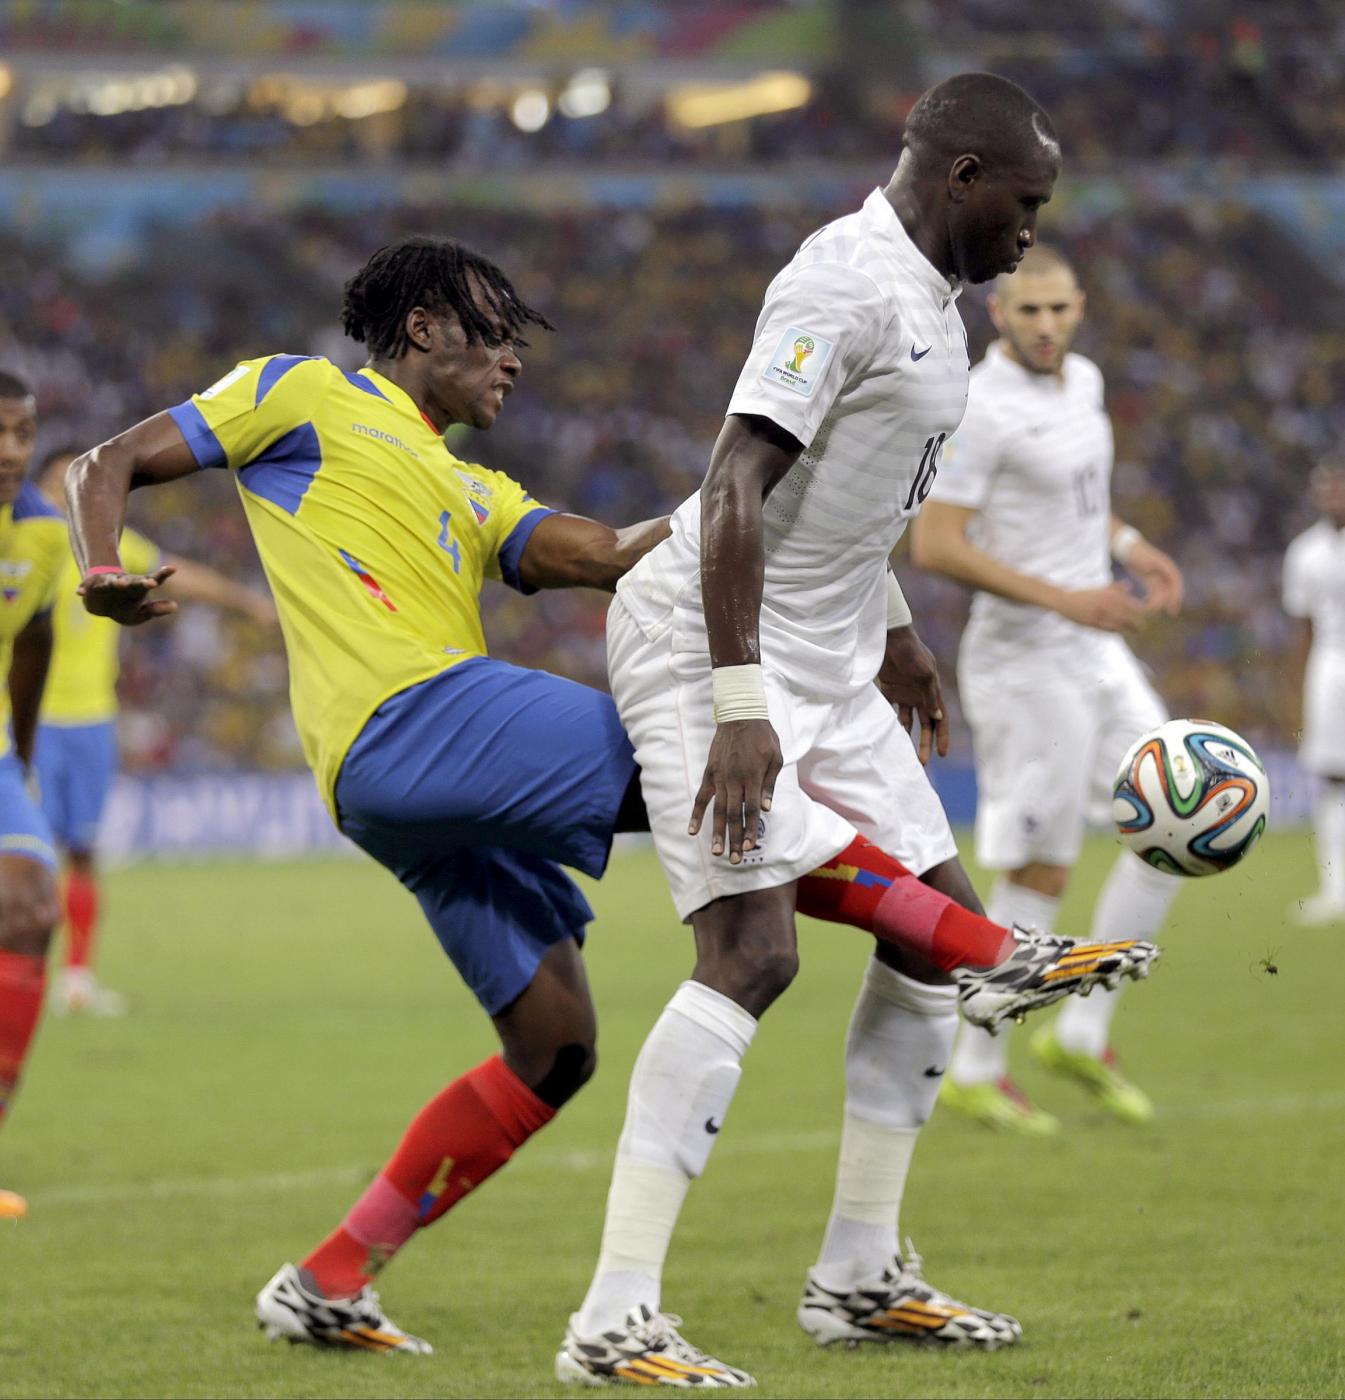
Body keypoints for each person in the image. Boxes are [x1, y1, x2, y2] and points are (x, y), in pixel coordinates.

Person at [64, 234, 1087, 1357]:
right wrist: (101, 567)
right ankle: (984, 947)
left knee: (554, 1044)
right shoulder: (299, 392)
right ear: (423, 328)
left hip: (405, 786)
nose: (514, 359)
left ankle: (327, 1278)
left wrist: (770, 493)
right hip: (411, 716)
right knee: (709, 765)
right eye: (495, 335)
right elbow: (104, 461)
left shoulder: (473, 488)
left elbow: (609, 552)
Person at [558, 74, 1158, 1389]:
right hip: (708, 640)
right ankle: (612, 1315)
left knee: (936, 954)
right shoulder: (840, 283)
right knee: (751, 952)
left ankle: (858, 1275)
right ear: (962, 177)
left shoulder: (937, 303)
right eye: (1024, 203)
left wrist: (891, 629)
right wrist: (737, 705)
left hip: (831, 654)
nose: (1031, 232)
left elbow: (846, 498)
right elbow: (734, 484)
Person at [910, 242, 1186, 1134]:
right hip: (1025, 659)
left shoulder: (1085, 383)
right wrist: (1069, 598)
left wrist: (1130, 545)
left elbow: (1077, 500)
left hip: (1095, 648)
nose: (1044, 325)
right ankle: (974, 1068)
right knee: (1041, 863)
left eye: (1058, 309)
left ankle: (1081, 1031)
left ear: (1078, 308)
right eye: (1027, 310)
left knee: (1174, 820)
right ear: (997, 314)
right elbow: (935, 544)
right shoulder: (978, 406)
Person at [33, 446, 279, 1016]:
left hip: (92, 722)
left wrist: (246, 600)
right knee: (26, 855)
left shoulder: (106, 548)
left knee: (83, 852)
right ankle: (21, 973)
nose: (66, 497)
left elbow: (177, 572)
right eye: (56, 483)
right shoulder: (22, 545)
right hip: (31, 721)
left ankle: (76, 980)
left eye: (75, 485)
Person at [0, 373, 72, 1222]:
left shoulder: (45, 532)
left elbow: (35, 639)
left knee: (29, 909)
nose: (12, 451)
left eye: (23, 432)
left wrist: (19, 756)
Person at [1283, 459, 1345, 926]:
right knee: (1332, 778)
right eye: (1327, 486)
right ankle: (1335, 889)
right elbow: (1302, 627)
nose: (1333, 493)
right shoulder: (1305, 552)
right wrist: (1295, 693)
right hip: (1330, 665)